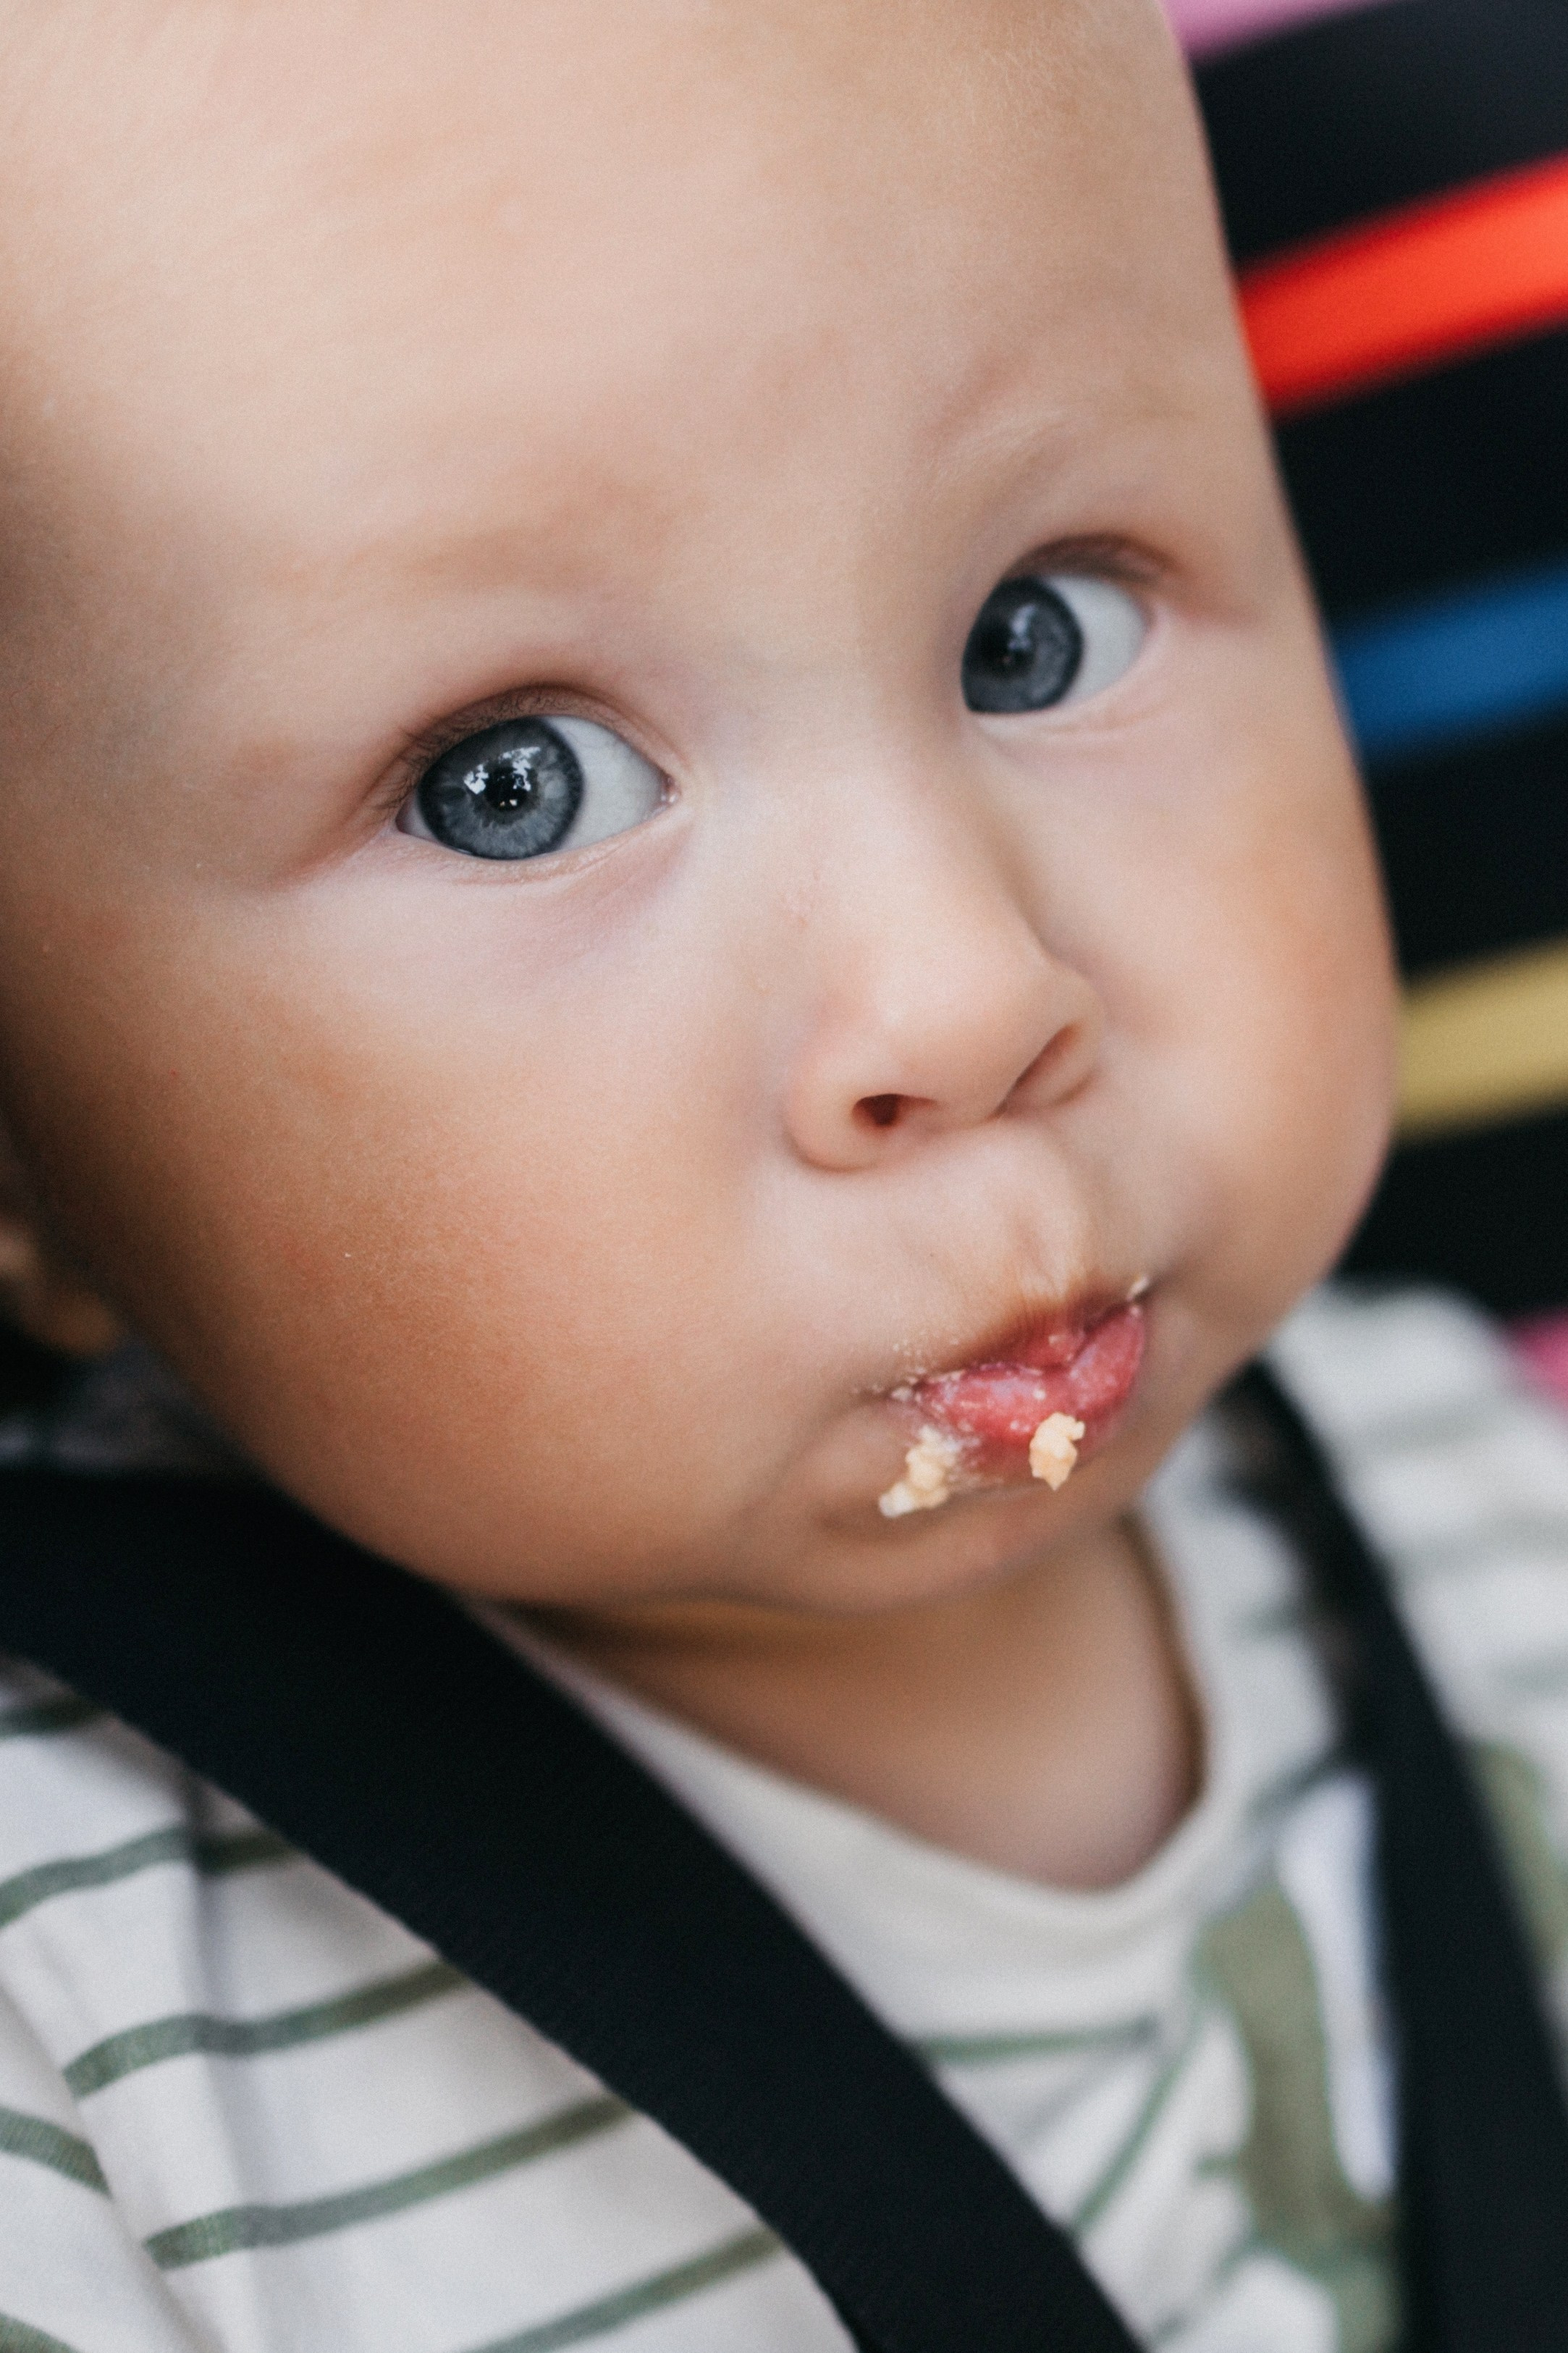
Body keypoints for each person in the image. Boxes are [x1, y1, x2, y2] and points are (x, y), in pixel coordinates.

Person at [1, 3, 1565, 2347]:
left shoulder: (1492, 1531)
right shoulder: (82, 2030)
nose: (965, 991)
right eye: (507, 783)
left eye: (1041, 625)